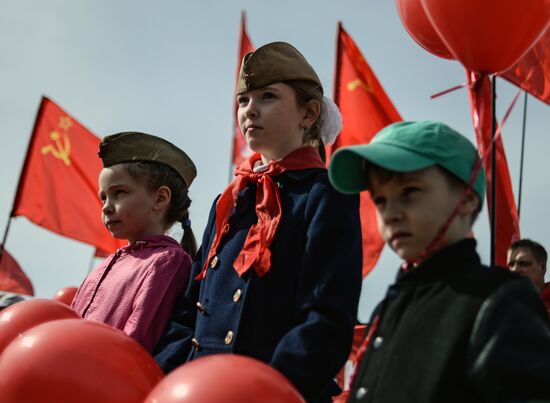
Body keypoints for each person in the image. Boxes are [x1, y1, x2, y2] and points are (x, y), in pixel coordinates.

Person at [154, 42, 363, 402]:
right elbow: (188, 310)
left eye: (267, 97)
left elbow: (326, 319)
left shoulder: (326, 193)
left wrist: (264, 390)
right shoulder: (230, 200)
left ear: (308, 113)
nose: (250, 111)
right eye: (243, 101)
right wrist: (174, 379)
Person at [328, 121, 550, 403]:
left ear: (467, 199)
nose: (390, 213)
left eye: (409, 193)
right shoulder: (388, 309)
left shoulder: (498, 299)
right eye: (381, 200)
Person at [71, 132, 197, 352]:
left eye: (119, 193)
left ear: (160, 198)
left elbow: (135, 344)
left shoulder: (167, 261)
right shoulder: (105, 265)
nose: (106, 207)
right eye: (104, 197)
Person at [507, 238, 550, 317]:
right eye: (511, 265)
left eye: (523, 263)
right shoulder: (501, 308)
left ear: (542, 267)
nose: (515, 270)